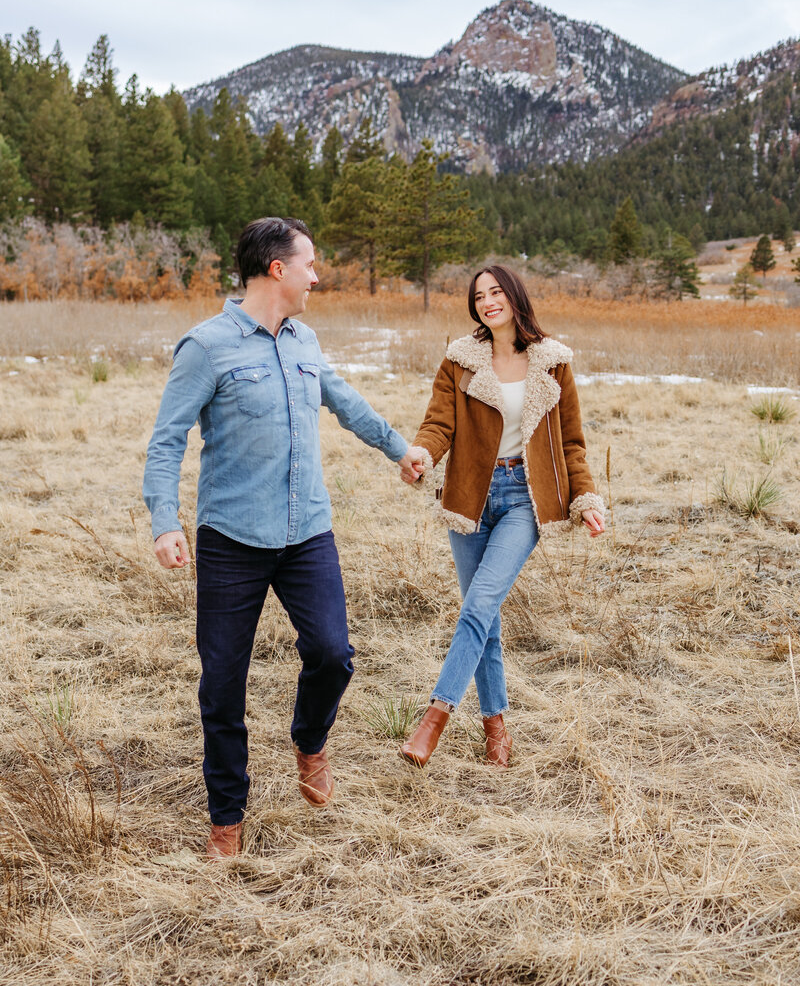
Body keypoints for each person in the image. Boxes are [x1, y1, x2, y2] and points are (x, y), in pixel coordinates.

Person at [143, 217, 425, 859]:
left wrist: (398, 448)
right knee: (223, 685)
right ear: (277, 269)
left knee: (332, 654)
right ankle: (227, 816)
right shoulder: (207, 347)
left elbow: (344, 400)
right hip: (232, 541)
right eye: (310, 264)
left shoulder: (304, 340)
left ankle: (310, 740)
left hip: (306, 533)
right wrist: (165, 521)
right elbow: (165, 441)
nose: (316, 276)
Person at [398, 265, 604, 769]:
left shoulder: (553, 363)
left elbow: (572, 443)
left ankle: (435, 718)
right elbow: (439, 422)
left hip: (523, 501)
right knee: (482, 616)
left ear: (514, 297)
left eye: (496, 292)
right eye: (478, 296)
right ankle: (496, 730)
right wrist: (423, 453)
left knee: (478, 605)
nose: (488, 301)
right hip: (470, 496)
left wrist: (587, 498)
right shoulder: (460, 360)